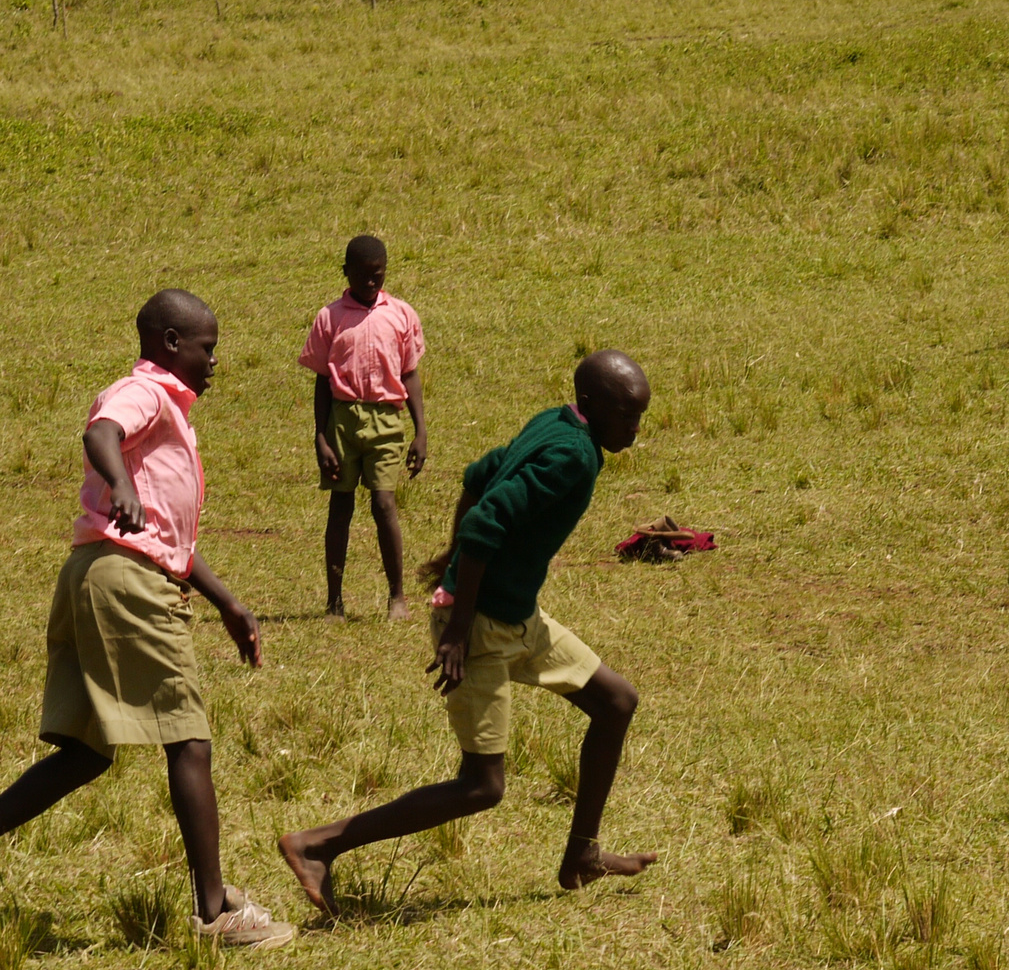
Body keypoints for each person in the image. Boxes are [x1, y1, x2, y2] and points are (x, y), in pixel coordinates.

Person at [279, 350, 658, 914]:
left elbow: (479, 475)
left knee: (616, 702)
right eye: (627, 414)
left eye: (640, 415)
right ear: (592, 404)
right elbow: (488, 517)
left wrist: (454, 562)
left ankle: (582, 855)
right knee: (482, 786)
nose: (635, 427)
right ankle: (318, 845)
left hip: (516, 618)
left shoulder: (556, 421)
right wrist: (457, 626)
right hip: (480, 626)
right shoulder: (573, 456)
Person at [0, 290, 294, 947]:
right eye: (206, 348)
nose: (215, 362)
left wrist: (230, 603)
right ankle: (214, 914)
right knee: (189, 739)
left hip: (97, 575)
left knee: (83, 754)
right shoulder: (144, 393)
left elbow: (171, 539)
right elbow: (101, 430)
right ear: (169, 343)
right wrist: (122, 486)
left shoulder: (173, 414)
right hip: (127, 585)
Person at [298, 235, 426, 621]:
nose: (371, 282)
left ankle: (397, 597)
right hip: (342, 419)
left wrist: (421, 432)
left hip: (387, 419)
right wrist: (321, 436)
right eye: (362, 275)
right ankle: (334, 601)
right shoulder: (330, 317)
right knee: (340, 506)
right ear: (345, 273)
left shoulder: (401, 314)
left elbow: (410, 374)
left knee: (385, 504)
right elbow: (322, 381)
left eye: (378, 275)